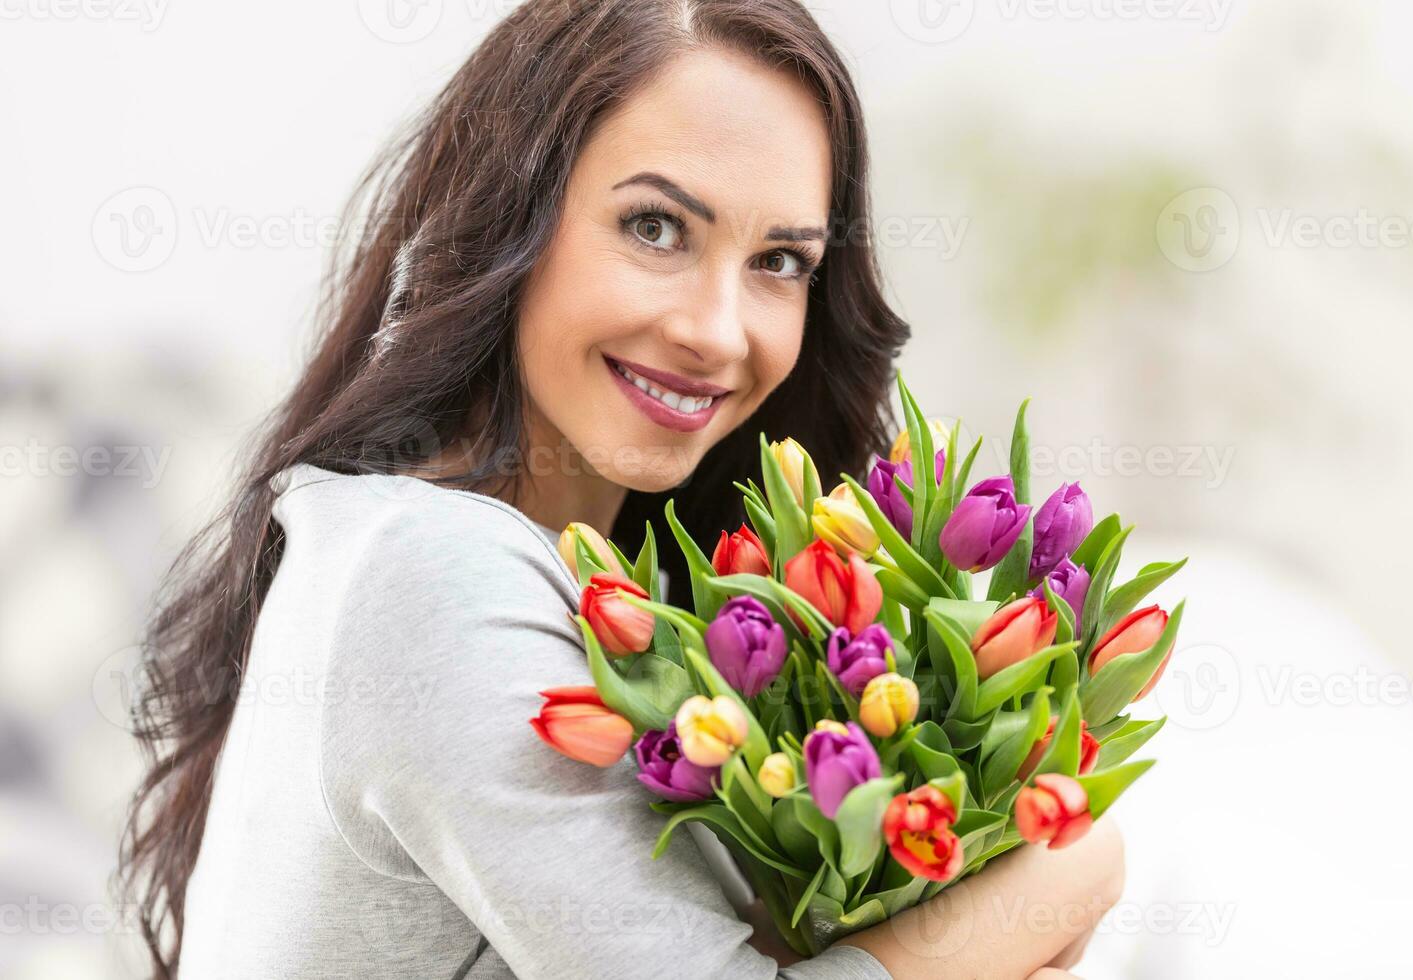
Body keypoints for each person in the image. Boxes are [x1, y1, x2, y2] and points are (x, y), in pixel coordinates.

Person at [118, 2, 1124, 977]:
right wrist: (1071, 869)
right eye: (654, 227)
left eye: (779, 260)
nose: (717, 330)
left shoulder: (633, 620)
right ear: (504, 219)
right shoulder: (430, 572)